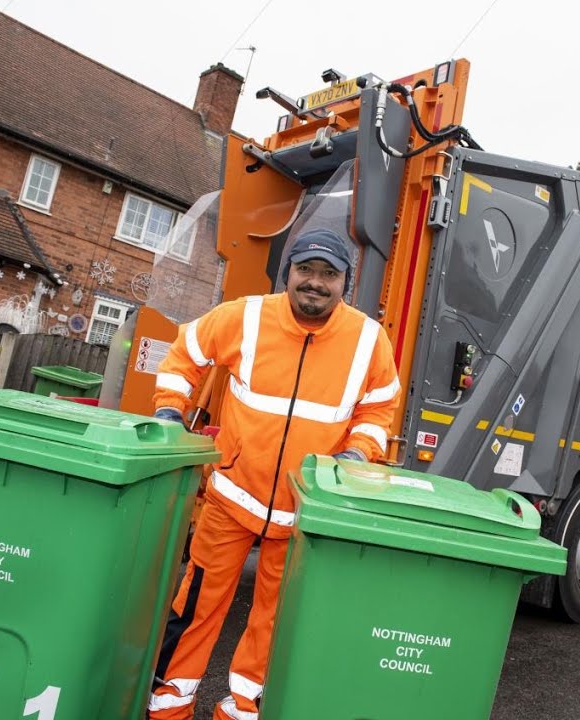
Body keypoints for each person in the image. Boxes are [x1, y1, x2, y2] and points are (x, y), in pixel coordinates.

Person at [147, 227, 402, 720]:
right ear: (288, 271)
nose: (316, 282)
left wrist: (355, 456)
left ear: (345, 282)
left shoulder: (369, 340)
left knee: (274, 622)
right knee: (196, 607)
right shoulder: (245, 316)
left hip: (303, 512)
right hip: (231, 498)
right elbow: (185, 354)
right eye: (306, 270)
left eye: (329, 274)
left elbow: (378, 411)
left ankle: (240, 711)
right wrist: (169, 410)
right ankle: (166, 707)